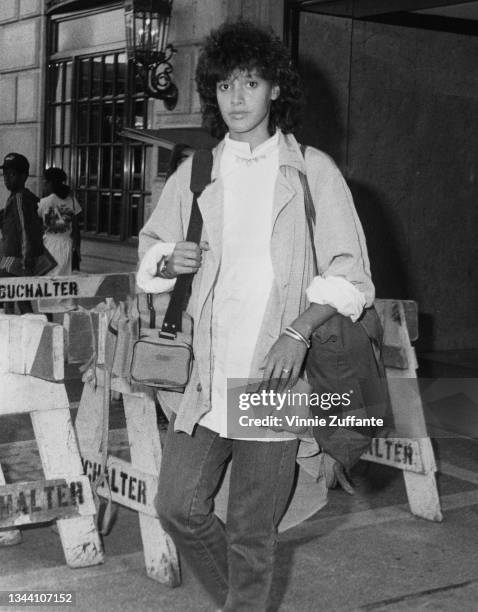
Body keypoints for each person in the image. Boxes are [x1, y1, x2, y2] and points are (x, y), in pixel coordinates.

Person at [137, 20, 375, 611]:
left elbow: (353, 278)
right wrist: (170, 260)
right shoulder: (197, 173)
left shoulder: (311, 170)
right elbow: (149, 255)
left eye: (250, 83)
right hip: (207, 375)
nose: (236, 98)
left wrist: (299, 330)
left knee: (251, 531)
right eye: (223, 86)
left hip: (274, 381)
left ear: (274, 90)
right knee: (177, 507)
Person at [0, 152, 44, 314]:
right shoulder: (16, 197)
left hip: (17, 258)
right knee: (17, 299)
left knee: (12, 297)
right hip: (13, 256)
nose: (6, 178)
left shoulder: (19, 197)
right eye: (4, 174)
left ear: (24, 176)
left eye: (11, 174)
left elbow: (25, 229)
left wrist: (26, 260)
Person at [37, 167, 81, 313]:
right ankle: (70, 318)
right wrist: (77, 251)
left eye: (44, 182)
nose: (43, 185)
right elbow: (76, 228)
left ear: (50, 183)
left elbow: (38, 226)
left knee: (48, 284)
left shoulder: (44, 202)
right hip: (67, 244)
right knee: (67, 282)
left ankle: (48, 320)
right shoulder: (72, 201)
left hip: (49, 245)